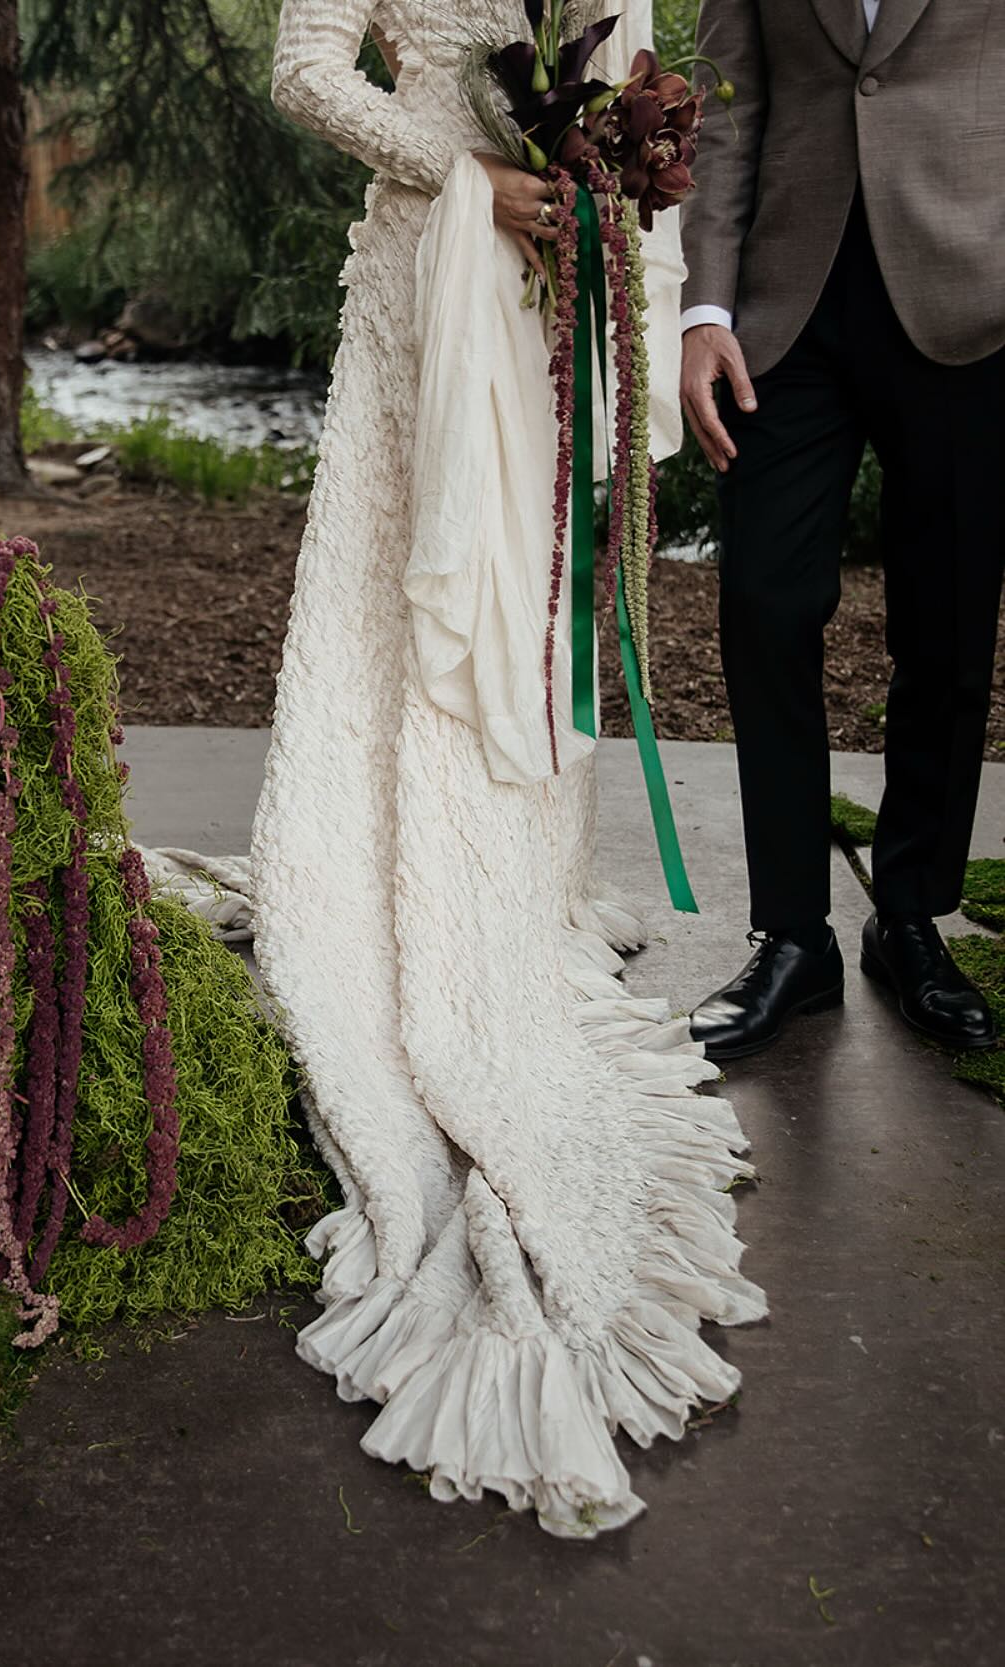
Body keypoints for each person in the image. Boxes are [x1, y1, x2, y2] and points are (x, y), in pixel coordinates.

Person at [244, 0, 765, 1538]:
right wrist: (468, 175)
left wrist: (610, 208)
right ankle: (380, 865)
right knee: (397, 591)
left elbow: (625, 75)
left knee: (518, 599)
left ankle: (501, 868)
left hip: (548, 298)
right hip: (424, 282)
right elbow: (304, 69)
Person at [680, 0, 1003, 1061]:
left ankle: (908, 916)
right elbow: (728, 108)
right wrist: (704, 313)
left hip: (968, 299)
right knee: (763, 606)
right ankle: (791, 935)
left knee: (947, 624)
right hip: (783, 313)